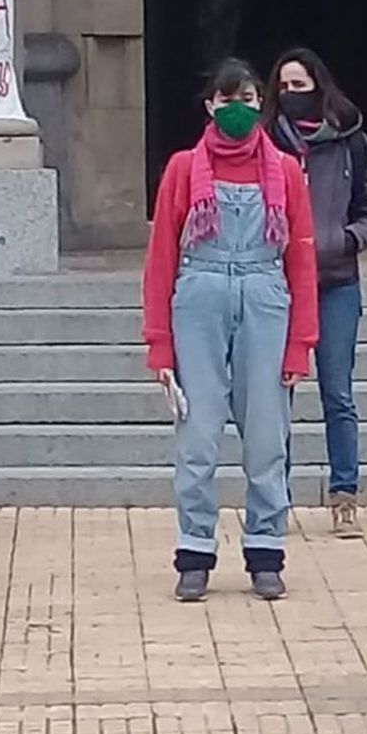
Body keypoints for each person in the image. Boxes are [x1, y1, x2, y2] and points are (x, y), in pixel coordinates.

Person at [142, 58, 317, 603]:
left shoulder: (286, 170)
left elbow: (302, 257)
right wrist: (158, 341)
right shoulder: (181, 168)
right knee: (198, 436)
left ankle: (266, 550)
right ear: (209, 106)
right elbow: (162, 257)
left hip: (266, 297)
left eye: (246, 99)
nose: (236, 110)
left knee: (267, 436)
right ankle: (194, 551)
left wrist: (300, 341)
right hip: (199, 296)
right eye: (226, 100)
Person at [265, 47, 367, 539]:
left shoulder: (352, 142)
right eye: (285, 88)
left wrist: (344, 240)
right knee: (278, 394)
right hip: (278, 283)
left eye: (301, 85)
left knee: (337, 392)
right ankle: (276, 499)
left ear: (320, 85)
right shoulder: (265, 142)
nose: (293, 96)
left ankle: (344, 497)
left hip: (338, 282)